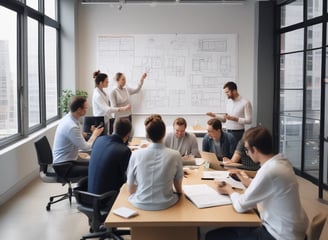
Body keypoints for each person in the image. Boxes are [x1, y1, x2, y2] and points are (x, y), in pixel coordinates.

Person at [206, 127, 309, 240]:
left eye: (247, 150)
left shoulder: (269, 171)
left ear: (254, 150)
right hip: (291, 230)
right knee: (236, 227)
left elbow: (241, 206)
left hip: (278, 235)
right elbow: (266, 186)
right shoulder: (282, 162)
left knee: (212, 236)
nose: (248, 153)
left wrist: (228, 189)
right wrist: (245, 179)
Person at [126, 114, 184, 210]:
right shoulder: (175, 155)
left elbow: (131, 189)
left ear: (147, 135)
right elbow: (178, 187)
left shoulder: (135, 154)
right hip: (167, 203)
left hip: (140, 204)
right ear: (164, 133)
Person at [53, 96, 103, 178]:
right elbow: (86, 147)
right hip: (64, 166)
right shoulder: (71, 126)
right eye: (85, 108)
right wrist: (95, 135)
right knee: (97, 169)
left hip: (69, 160)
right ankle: (88, 189)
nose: (87, 110)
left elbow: (79, 135)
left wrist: (91, 133)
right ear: (79, 109)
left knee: (95, 163)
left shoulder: (71, 119)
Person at [88, 118, 132, 194]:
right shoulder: (124, 151)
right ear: (127, 135)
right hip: (107, 197)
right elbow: (128, 177)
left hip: (90, 194)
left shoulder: (98, 140)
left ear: (113, 128)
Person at [92, 70, 130, 134]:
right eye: (106, 81)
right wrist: (122, 108)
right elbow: (107, 109)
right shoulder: (97, 95)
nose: (108, 83)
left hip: (105, 118)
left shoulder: (103, 92)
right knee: (102, 139)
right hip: (100, 119)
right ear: (101, 83)